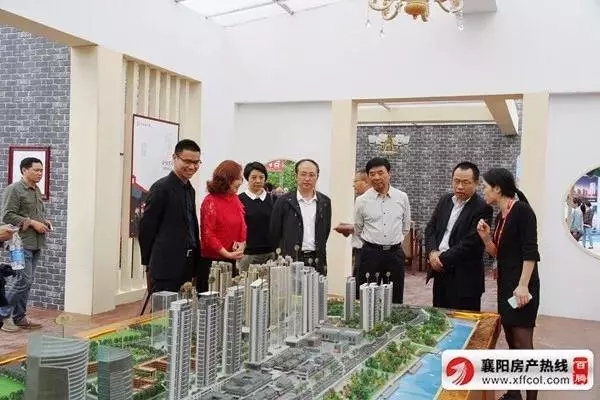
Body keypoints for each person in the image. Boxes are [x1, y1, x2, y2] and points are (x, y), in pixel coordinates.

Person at [476, 168, 540, 400]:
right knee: (512, 342)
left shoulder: (522, 211)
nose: (483, 191)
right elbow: (498, 253)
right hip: (506, 287)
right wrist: (486, 238)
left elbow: (530, 252)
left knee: (524, 346)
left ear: (497, 188)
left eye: (485, 187)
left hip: (521, 288)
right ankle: (514, 393)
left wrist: (523, 286)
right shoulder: (501, 216)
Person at [425, 162, 493, 312]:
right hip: (440, 273)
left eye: (465, 182)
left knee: (464, 320)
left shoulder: (483, 208)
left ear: (476, 183)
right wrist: (432, 253)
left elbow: (471, 243)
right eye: (456, 181)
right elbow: (430, 229)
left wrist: (440, 259)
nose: (459, 186)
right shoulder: (445, 200)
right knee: (440, 317)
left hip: (464, 278)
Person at [138, 139, 202, 294]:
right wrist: (149, 264)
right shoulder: (161, 188)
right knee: (164, 308)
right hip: (165, 267)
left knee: (184, 308)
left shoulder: (190, 189)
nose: (192, 167)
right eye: (187, 161)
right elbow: (146, 229)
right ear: (174, 158)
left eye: (196, 162)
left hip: (187, 265)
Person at [0, 157, 51, 332]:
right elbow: (7, 215)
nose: (40, 173)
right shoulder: (14, 190)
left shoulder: (36, 190)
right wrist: (32, 223)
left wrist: (44, 221)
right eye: (36, 170)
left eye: (41, 170)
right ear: (24, 170)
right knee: (22, 280)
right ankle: (2, 316)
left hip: (36, 242)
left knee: (27, 282)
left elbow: (35, 214)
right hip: (19, 243)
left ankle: (19, 317)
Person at [354, 157, 410, 304]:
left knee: (395, 298)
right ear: (368, 177)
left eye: (380, 173)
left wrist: (392, 240)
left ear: (389, 174)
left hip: (395, 254)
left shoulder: (402, 197)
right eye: (372, 174)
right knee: (367, 298)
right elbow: (358, 228)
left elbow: (405, 226)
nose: (376, 177)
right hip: (371, 254)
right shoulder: (362, 201)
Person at [270, 159, 331, 275]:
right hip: (291, 259)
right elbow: (274, 232)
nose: (307, 178)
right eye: (303, 174)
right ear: (296, 176)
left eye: (312, 175)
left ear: (317, 177)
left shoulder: (325, 202)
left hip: (317, 259)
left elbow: (325, 231)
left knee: (316, 286)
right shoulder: (283, 201)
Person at [199, 160, 247, 290]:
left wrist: (241, 243)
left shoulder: (235, 198)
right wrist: (226, 254)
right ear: (226, 179)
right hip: (213, 262)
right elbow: (207, 234)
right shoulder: (210, 201)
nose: (240, 182)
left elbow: (242, 225)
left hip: (230, 260)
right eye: (237, 178)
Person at [334, 169, 371, 298]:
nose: (353, 185)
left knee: (361, 289)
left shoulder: (367, 200)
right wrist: (348, 228)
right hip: (360, 250)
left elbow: (366, 227)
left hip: (365, 251)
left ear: (366, 182)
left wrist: (349, 228)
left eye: (356, 181)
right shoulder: (360, 200)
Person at [238, 162, 275, 271]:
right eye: (254, 177)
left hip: (271, 254)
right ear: (247, 178)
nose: (258, 181)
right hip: (247, 255)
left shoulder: (274, 200)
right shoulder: (239, 200)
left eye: (261, 177)